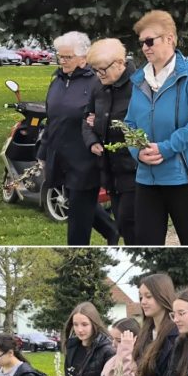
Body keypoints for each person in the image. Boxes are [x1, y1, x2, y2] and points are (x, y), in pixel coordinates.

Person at [125, 10, 188, 245]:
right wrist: (138, 151)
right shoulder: (139, 79)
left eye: (150, 41)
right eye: (142, 42)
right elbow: (129, 123)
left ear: (170, 39)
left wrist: (166, 148)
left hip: (181, 177)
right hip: (146, 179)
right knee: (146, 241)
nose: (145, 47)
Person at [37, 31, 117, 246]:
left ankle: (77, 251)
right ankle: (112, 231)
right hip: (59, 156)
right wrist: (43, 153)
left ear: (84, 57)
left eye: (68, 57)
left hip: (85, 159)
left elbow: (106, 116)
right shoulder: (56, 80)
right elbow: (50, 118)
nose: (62, 61)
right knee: (79, 203)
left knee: (77, 220)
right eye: (59, 56)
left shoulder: (95, 82)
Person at [83, 38, 138, 244]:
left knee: (129, 223)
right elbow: (86, 118)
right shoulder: (99, 86)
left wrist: (100, 121)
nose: (98, 75)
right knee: (123, 225)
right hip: (109, 169)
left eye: (102, 70)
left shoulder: (139, 86)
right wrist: (91, 141)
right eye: (95, 70)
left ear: (118, 64)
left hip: (134, 169)